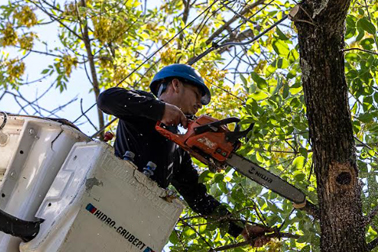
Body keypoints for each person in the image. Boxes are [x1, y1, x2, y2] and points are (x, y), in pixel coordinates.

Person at [97, 64, 271, 248]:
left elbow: (198, 198)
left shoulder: (178, 148)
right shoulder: (143, 106)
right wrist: (160, 110)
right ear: (176, 84)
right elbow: (106, 99)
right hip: (106, 198)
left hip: (135, 222)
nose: (199, 104)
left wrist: (241, 228)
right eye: (197, 94)